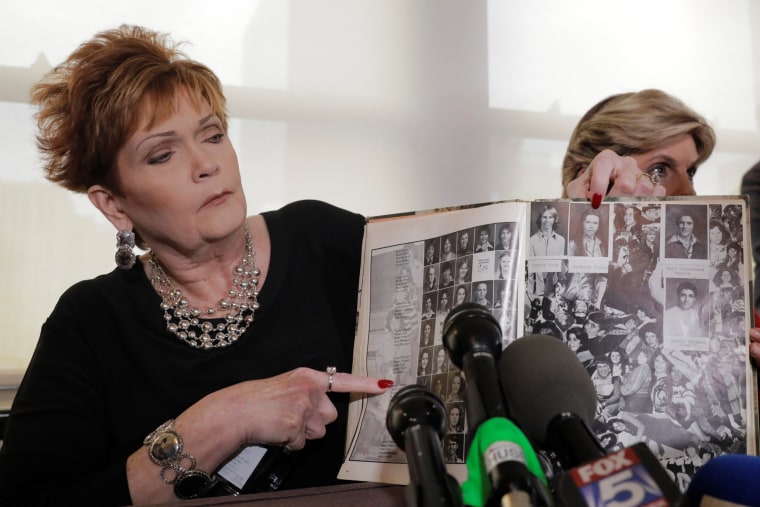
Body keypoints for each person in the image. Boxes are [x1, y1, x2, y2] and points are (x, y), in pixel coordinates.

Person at [0, 26, 394, 506]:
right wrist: (224, 419)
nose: (206, 163)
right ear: (115, 206)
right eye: (163, 154)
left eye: (212, 134)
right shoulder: (89, 321)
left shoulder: (328, 239)